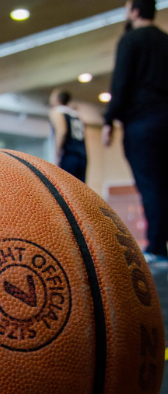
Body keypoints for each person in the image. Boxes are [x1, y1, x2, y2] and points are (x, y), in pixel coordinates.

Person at [103, 0, 168, 266]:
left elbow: (121, 82)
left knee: (150, 184)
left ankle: (156, 248)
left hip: (143, 123)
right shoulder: (166, 41)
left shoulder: (130, 40)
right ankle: (159, 245)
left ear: (135, 11)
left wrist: (108, 120)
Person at [49, 89, 87, 182]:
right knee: (80, 190)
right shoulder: (76, 114)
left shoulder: (57, 112)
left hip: (68, 156)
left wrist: (57, 154)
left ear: (57, 99)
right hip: (82, 155)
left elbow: (62, 131)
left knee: (66, 189)